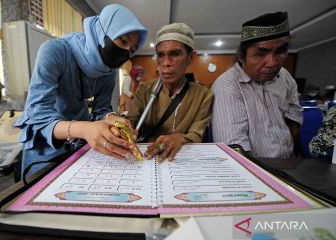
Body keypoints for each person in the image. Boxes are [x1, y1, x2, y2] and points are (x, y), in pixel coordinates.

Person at [15, 4, 148, 176]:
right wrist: (85, 129)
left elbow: (101, 109)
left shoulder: (109, 71)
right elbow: (37, 115)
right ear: (103, 31)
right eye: (122, 41)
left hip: (79, 148)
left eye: (131, 50)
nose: (125, 52)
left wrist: (112, 119)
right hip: (45, 149)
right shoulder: (55, 52)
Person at [211, 12, 302, 158]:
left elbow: (294, 116)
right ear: (242, 56)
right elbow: (235, 149)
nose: (272, 63)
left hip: (290, 162)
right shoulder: (228, 85)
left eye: (280, 51)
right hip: (256, 170)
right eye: (261, 54)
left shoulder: (284, 76)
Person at [127, 23, 213, 162]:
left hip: (181, 159)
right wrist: (127, 130)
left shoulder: (203, 95)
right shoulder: (144, 90)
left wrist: (180, 138)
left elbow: (197, 134)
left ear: (191, 58)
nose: (166, 62)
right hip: (146, 156)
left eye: (175, 54)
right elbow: (131, 121)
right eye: (161, 55)